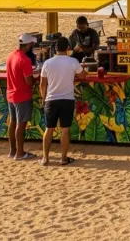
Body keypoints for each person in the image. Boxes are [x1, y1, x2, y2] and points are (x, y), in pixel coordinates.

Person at [40, 37, 87, 166]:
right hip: (67, 99)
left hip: (51, 99)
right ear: (67, 48)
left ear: (55, 49)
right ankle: (63, 158)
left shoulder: (47, 63)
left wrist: (43, 98)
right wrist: (83, 68)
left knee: (49, 129)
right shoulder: (73, 62)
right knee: (65, 130)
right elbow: (83, 75)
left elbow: (42, 84)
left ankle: (45, 158)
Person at [6, 34, 38, 161]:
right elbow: (29, 81)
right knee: (21, 124)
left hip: (11, 94)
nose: (33, 47)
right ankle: (20, 153)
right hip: (22, 95)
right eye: (32, 44)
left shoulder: (11, 55)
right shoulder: (25, 60)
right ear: (28, 45)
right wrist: (37, 78)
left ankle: (13, 151)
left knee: (13, 122)